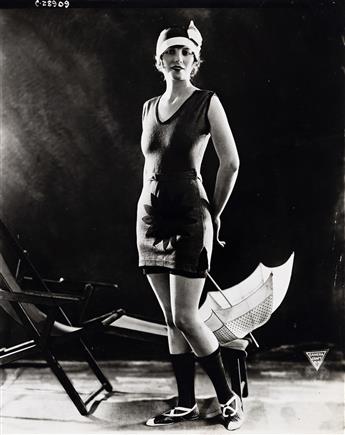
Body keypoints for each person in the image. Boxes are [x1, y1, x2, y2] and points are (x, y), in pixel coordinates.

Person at [136, 20, 243, 431]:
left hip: (189, 217)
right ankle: (184, 403)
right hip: (148, 217)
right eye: (170, 52)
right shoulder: (148, 107)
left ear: (195, 62)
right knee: (170, 318)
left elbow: (230, 163)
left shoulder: (206, 102)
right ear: (158, 60)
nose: (177, 59)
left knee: (186, 315)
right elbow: (152, 163)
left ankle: (228, 398)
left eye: (185, 53)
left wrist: (213, 212)